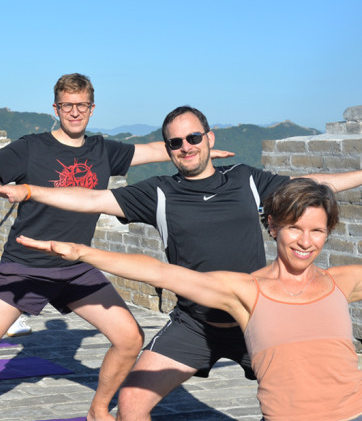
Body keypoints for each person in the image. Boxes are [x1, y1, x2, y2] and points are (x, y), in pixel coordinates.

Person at [0, 76, 232, 421]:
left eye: (82, 105)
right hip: (26, 266)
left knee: (129, 338)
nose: (75, 112)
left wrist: (201, 149)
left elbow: (153, 150)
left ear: (92, 109)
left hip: (74, 265)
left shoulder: (104, 150)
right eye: (67, 105)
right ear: (56, 109)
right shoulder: (31, 148)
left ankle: (98, 410)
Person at [0, 105, 362, 421]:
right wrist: (31, 191)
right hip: (194, 323)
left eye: (193, 138)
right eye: (175, 142)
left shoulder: (247, 180)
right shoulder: (159, 192)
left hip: (255, 314)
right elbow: (92, 199)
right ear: (167, 149)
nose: (186, 147)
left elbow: (307, 185)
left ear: (210, 139)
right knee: (131, 405)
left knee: (296, 402)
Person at [22, 178, 362, 421]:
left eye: (317, 231)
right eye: (294, 228)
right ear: (272, 226)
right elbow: (159, 273)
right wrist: (84, 252)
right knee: (132, 401)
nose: (305, 242)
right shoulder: (245, 291)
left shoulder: (341, 282)